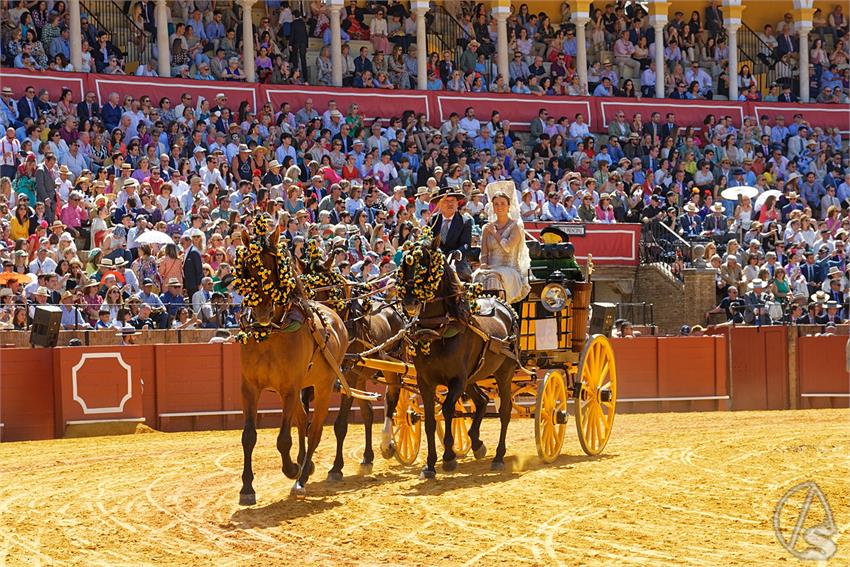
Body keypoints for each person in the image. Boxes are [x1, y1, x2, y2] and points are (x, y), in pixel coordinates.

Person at [472, 181, 531, 303]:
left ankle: (496, 310)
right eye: (496, 204)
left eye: (503, 204)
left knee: (494, 277)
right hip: (491, 267)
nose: (499, 207)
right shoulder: (487, 228)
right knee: (477, 276)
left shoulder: (516, 226)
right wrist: (483, 263)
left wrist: (495, 233)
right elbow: (484, 253)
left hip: (509, 268)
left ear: (509, 206)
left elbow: (507, 247)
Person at [428, 186, 473, 280]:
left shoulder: (465, 221)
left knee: (465, 279)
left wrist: (459, 252)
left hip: (456, 262)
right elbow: (428, 239)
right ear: (439, 204)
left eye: (452, 200)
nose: (450, 204)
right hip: (435, 262)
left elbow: (466, 244)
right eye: (446, 201)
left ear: (457, 203)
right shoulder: (433, 220)